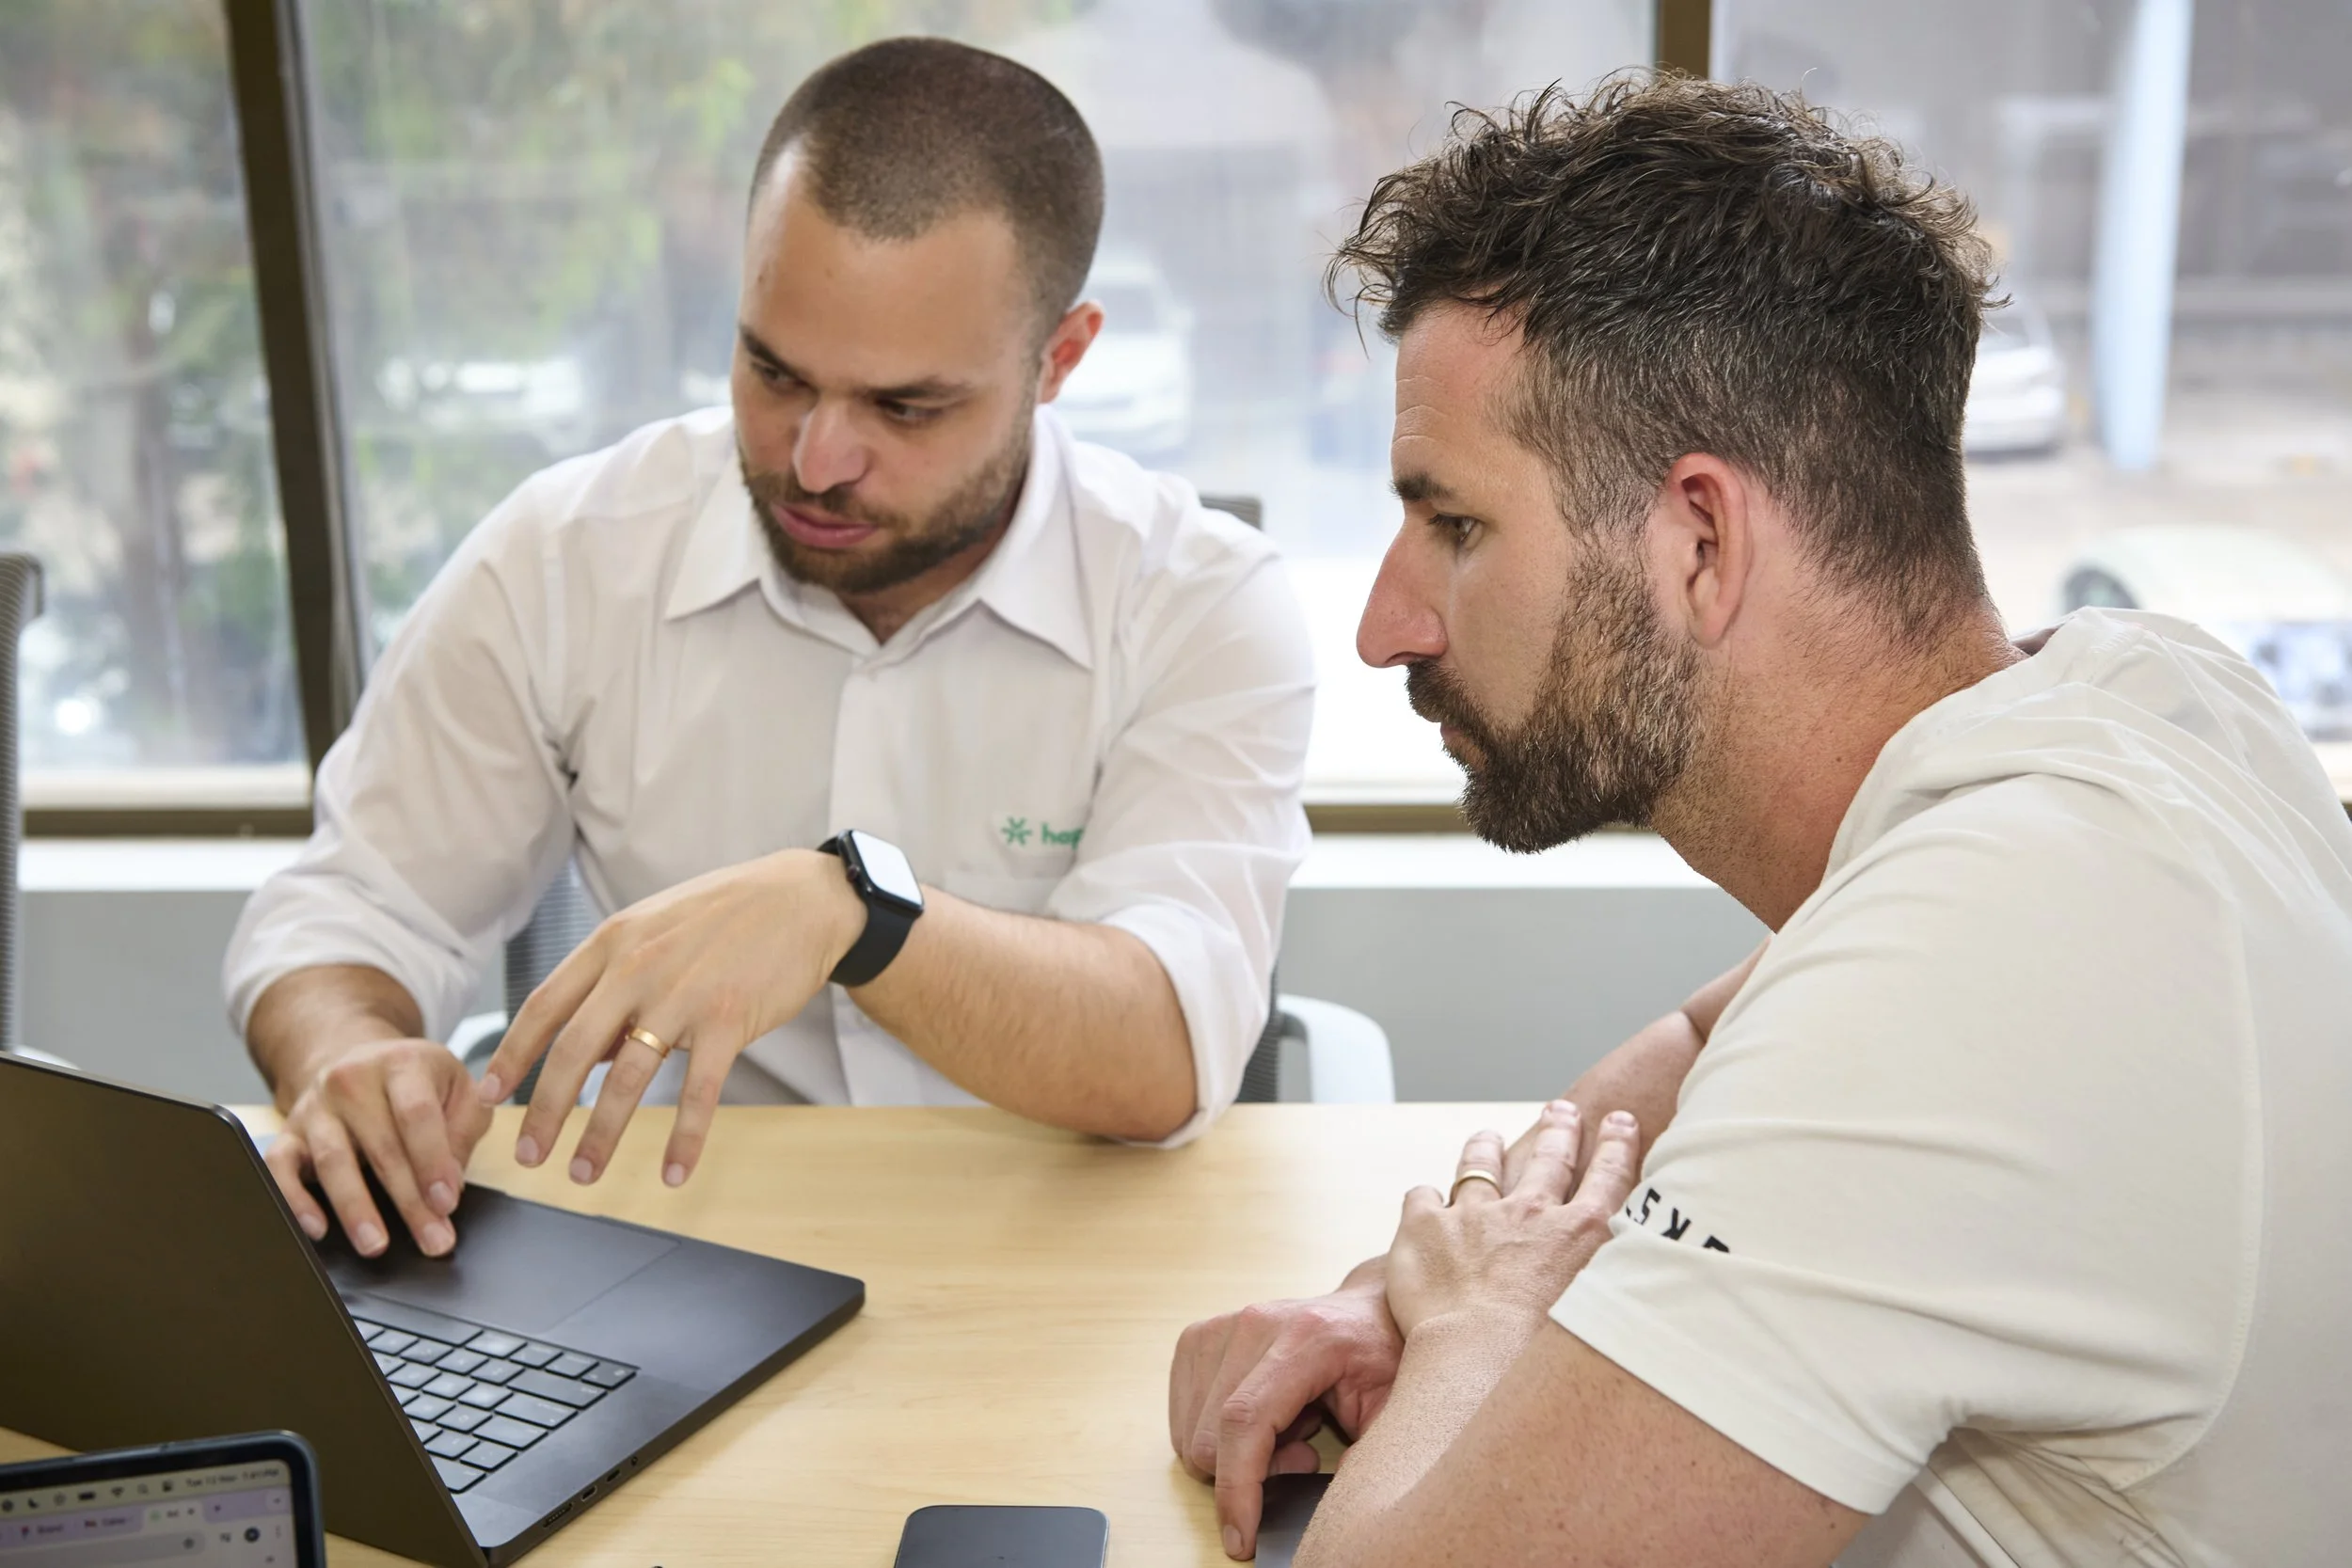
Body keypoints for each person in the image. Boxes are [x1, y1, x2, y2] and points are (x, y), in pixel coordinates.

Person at [1169, 73, 2352, 1566]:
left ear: (1701, 541)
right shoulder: (2158, 702)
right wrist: (1393, 1296)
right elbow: (1696, 1041)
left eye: (1456, 524)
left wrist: (1481, 1310)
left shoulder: (1956, 991)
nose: (1387, 625)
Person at [224, 38, 1313, 1265]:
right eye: (773, 370)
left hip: (1062, 1265)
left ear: (1058, 361)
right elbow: (349, 907)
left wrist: (857, 914)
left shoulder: (1203, 602)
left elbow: (1165, 1044)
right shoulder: (574, 551)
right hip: (678, 1261)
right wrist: (348, 1051)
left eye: (905, 407)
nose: (815, 459)